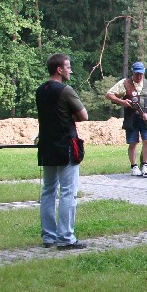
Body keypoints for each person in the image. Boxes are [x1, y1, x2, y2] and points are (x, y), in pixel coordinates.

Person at [36, 53, 89, 250]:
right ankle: (66, 237)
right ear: (59, 69)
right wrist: (70, 116)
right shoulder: (66, 90)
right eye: (68, 67)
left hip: (46, 145)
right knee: (68, 192)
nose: (70, 70)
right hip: (65, 145)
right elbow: (84, 115)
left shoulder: (40, 91)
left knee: (48, 191)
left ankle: (48, 237)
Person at [105, 61, 147, 177]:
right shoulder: (124, 83)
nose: (139, 76)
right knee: (133, 142)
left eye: (141, 74)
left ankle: (145, 165)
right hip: (131, 118)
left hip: (146, 118)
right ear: (132, 73)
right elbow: (109, 94)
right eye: (137, 74)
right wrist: (122, 101)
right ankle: (134, 166)